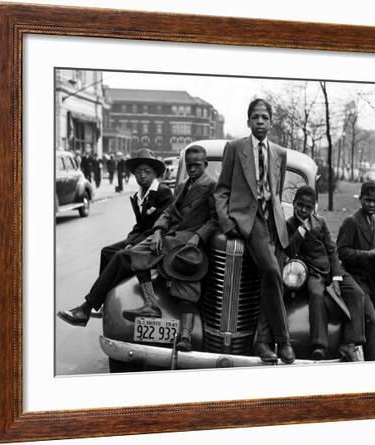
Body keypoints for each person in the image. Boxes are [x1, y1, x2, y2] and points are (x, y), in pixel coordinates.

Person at [57, 146, 217, 352]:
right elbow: (169, 212)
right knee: (128, 254)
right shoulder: (183, 186)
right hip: (169, 238)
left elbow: (214, 220)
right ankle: (113, 306)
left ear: (205, 165)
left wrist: (197, 236)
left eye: (197, 165)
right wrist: (158, 231)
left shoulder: (211, 186)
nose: (193, 169)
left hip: (187, 243)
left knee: (129, 256)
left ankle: (88, 308)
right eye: (190, 165)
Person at [214, 98, 295, 364]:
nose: (260, 122)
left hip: (274, 223)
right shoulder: (236, 148)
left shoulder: (280, 153)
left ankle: (262, 342)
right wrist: (228, 224)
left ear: (271, 122)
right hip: (249, 220)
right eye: (255, 117)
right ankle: (282, 342)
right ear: (248, 121)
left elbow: (277, 192)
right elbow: (222, 190)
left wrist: (278, 220)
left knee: (271, 279)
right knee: (272, 271)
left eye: (265, 117)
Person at [285, 185, 369, 362]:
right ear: (293, 204)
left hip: (331, 269)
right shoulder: (290, 225)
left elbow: (332, 250)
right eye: (300, 205)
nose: (303, 210)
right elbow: (290, 251)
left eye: (308, 207)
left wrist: (337, 277)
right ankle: (319, 345)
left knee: (356, 292)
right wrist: (301, 230)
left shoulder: (320, 222)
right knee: (316, 294)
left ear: (313, 207)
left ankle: (350, 342)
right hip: (312, 272)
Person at [337, 180, 375, 361]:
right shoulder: (351, 222)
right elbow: (342, 252)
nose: (371, 205)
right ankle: (372, 364)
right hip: (356, 281)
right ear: (360, 199)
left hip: (372, 281)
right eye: (368, 200)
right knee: (371, 321)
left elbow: (373, 249)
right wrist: (368, 254)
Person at [98, 149, 173, 274]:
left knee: (121, 256)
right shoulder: (137, 196)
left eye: (147, 172)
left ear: (155, 174)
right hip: (140, 238)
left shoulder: (163, 192)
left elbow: (161, 226)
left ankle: (100, 291)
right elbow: (139, 225)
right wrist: (129, 242)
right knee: (106, 252)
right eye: (139, 172)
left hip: (154, 241)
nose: (142, 176)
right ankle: (105, 290)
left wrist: (133, 244)